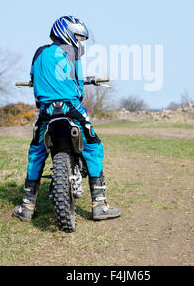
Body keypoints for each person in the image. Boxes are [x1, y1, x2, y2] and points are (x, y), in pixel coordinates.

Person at [13, 16, 121, 222]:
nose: (79, 41)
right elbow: (79, 86)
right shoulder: (73, 53)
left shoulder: (39, 53)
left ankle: (27, 206)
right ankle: (99, 204)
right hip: (70, 108)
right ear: (66, 32)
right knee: (93, 146)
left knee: (36, 151)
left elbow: (33, 79)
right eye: (77, 36)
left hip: (46, 111)